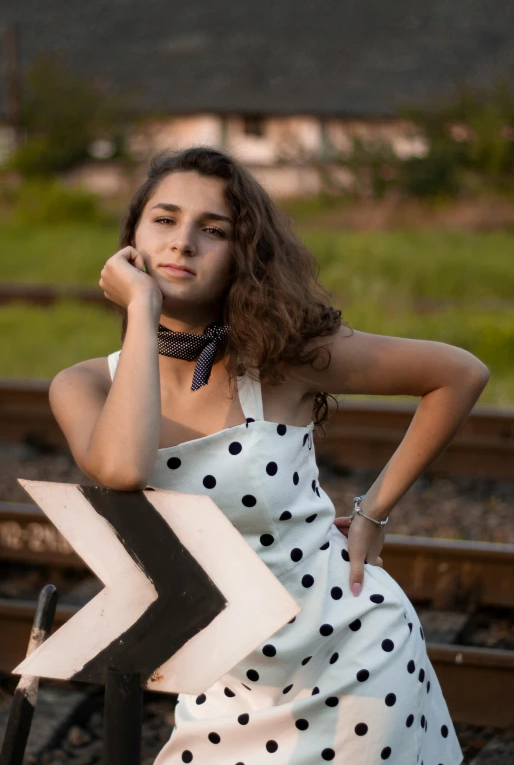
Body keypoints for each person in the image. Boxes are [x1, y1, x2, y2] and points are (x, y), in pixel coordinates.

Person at [49, 146, 487, 764]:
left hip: (354, 659)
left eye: (214, 230)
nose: (184, 243)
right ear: (132, 242)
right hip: (221, 682)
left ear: (242, 254)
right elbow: (122, 467)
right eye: (165, 220)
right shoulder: (84, 385)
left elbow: (459, 374)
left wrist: (373, 513)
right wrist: (143, 313)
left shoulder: (284, 358)